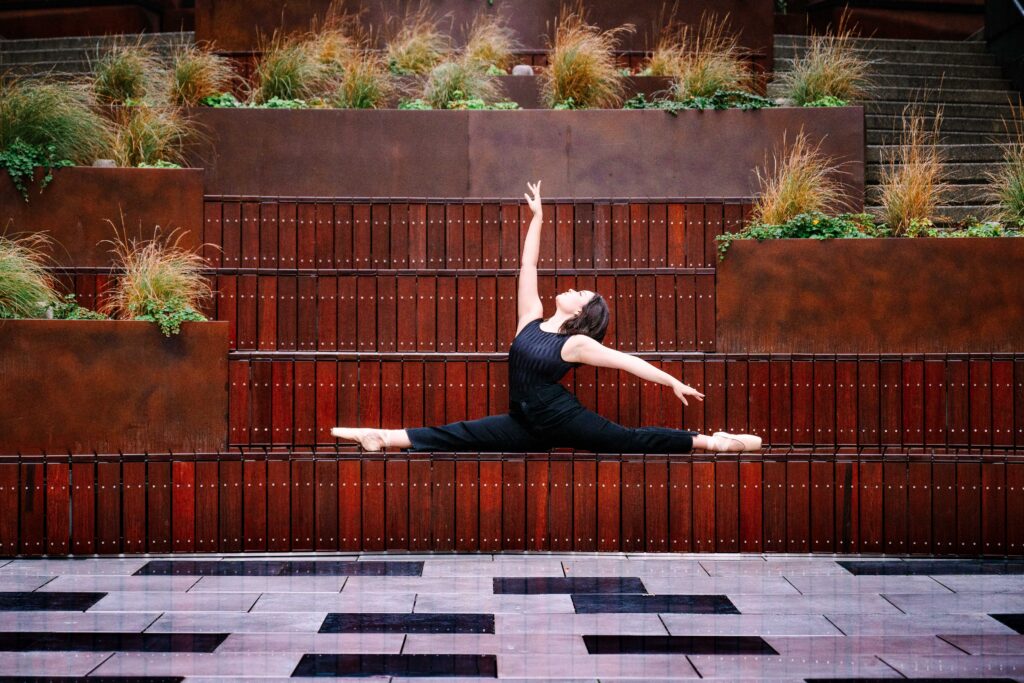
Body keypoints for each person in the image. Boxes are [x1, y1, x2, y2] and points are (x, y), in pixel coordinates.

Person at [333, 181, 762, 454]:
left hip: (561, 418)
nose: (572, 289)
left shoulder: (575, 344)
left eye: (580, 294)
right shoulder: (531, 319)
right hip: (525, 422)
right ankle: (380, 436)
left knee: (628, 439)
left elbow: (627, 362)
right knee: (461, 432)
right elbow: (529, 266)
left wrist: (671, 382)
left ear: (581, 313)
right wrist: (538, 218)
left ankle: (714, 443)